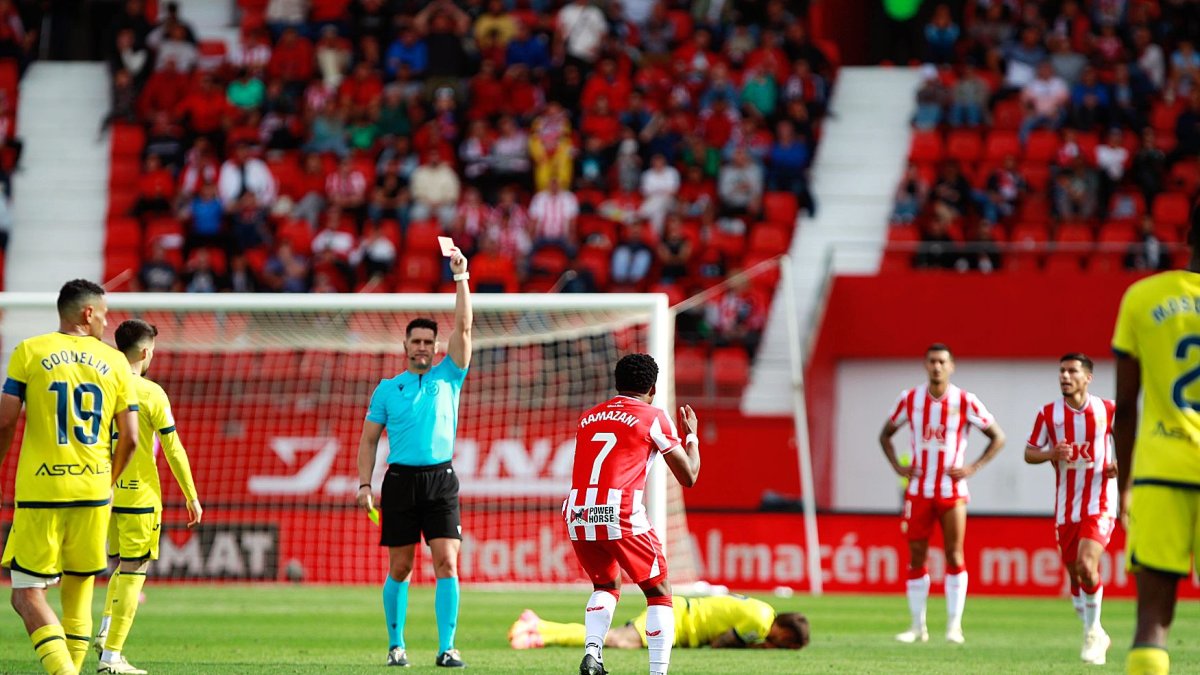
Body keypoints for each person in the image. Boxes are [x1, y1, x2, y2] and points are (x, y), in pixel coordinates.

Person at [0, 279, 140, 675]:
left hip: (42, 490)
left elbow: (6, 420)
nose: (106, 322)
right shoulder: (115, 361)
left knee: (26, 594)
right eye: (104, 314)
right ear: (87, 313)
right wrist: (107, 482)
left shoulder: (30, 351)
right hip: (94, 491)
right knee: (79, 591)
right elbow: (130, 437)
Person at [355, 248, 473, 669]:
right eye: (416, 341)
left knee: (447, 562)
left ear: (436, 346)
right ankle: (396, 646)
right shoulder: (387, 388)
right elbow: (369, 441)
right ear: (405, 345)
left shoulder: (450, 375)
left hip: (441, 479)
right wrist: (365, 484)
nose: (422, 347)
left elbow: (464, 325)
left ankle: (447, 648)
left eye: (428, 341)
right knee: (401, 567)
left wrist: (461, 278)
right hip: (400, 482)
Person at [563, 353, 701, 675]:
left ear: (617, 384)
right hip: (619, 511)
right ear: (653, 388)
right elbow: (689, 476)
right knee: (659, 593)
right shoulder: (654, 416)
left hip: (577, 511)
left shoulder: (588, 417)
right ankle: (658, 672)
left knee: (606, 585)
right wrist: (691, 436)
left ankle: (593, 653)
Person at [1112, 222, 1200, 675]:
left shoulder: (1143, 297)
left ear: (1189, 237)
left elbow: (1125, 406)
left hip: (1160, 471)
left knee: (1152, 620)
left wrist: (1123, 483)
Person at [94, 320, 204, 674]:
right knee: (134, 569)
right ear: (145, 352)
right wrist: (191, 495)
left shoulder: (100, 385)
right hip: (139, 497)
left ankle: (105, 629)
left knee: (120, 565)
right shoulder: (151, 392)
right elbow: (173, 448)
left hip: (103, 495)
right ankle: (112, 657)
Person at [879, 343, 1006, 645]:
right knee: (916, 556)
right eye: (932, 361)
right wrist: (898, 466)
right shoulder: (910, 399)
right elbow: (885, 435)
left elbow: (997, 437)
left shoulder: (965, 400)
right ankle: (917, 627)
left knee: (954, 554)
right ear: (925, 365)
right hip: (918, 490)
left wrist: (974, 467)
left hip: (952, 490)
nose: (937, 367)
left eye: (942, 362)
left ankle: (954, 627)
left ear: (951, 366)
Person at [1023, 354, 1116, 666]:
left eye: (1072, 371)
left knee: (1087, 566)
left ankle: (1091, 636)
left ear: (1087, 377)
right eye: (1061, 371)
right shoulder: (1048, 414)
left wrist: (1120, 465)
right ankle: (1097, 630)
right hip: (1066, 508)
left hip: (1100, 502)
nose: (1065, 376)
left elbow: (1133, 441)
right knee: (1076, 578)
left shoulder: (1108, 409)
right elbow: (1029, 452)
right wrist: (1051, 452)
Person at [508, 594, 809, 651]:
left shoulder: (763, 611)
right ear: (785, 631)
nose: (783, 646)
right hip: (677, 620)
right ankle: (539, 631)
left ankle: (538, 626)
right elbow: (720, 643)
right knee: (616, 640)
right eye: (788, 643)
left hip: (679, 615)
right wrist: (760, 648)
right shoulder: (759, 624)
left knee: (615, 638)